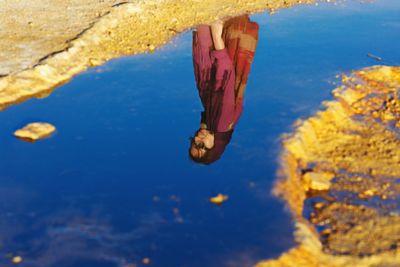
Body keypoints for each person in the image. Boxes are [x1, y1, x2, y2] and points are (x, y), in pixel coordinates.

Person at [189, 15, 259, 164]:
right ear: (215, 148)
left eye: (193, 143)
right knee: (203, 16)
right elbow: (226, 79)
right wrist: (216, 36)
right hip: (214, 60)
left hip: (210, 64)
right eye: (202, 146)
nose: (197, 139)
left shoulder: (217, 124)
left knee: (202, 15)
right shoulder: (222, 123)